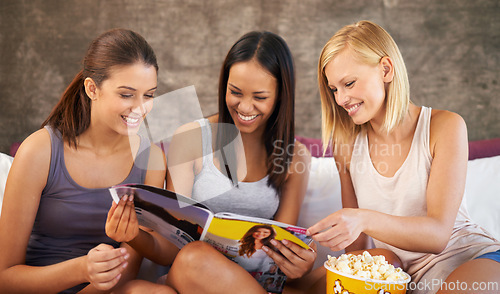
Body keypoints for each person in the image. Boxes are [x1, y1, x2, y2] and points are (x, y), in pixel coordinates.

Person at [106, 31, 315, 294]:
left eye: (260, 97)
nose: (245, 107)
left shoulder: (296, 156)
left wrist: (299, 264)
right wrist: (133, 235)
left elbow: (284, 253)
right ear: (224, 85)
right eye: (235, 92)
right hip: (193, 275)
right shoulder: (192, 139)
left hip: (255, 285)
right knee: (190, 259)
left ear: (281, 96)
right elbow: (170, 249)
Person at [307, 20, 500, 294]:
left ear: (386, 69)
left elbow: (438, 236)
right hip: (402, 279)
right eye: (334, 89)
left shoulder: (444, 126)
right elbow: (359, 253)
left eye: (349, 83)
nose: (341, 99)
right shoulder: (347, 146)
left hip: (470, 259)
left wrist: (362, 218)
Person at [0, 28, 166, 293]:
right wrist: (81, 269)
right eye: (126, 94)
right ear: (92, 88)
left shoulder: (152, 160)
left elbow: (129, 265)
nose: (140, 108)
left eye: (148, 95)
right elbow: (5, 278)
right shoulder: (40, 150)